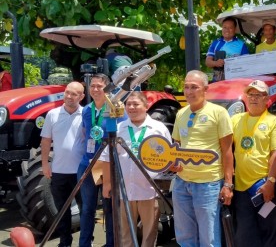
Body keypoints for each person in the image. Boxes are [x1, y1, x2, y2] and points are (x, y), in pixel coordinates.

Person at [170, 70, 234, 246]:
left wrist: (228, 184)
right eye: (186, 87)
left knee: (209, 238)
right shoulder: (180, 113)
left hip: (208, 184)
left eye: (194, 87)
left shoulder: (219, 113)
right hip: (182, 183)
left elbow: (228, 151)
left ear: (205, 89)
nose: (189, 92)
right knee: (184, 237)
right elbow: (175, 146)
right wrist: (173, 163)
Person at [100, 92, 171, 247]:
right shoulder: (119, 128)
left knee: (149, 232)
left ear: (146, 107)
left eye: (136, 104)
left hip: (150, 190)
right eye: (129, 104)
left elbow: (168, 157)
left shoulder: (158, 129)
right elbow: (107, 157)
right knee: (125, 231)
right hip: (125, 190)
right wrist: (107, 184)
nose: (131, 107)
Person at [231, 80, 276, 246]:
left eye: (258, 95)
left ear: (266, 98)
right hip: (241, 188)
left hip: (263, 187)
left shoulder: (273, 121)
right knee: (244, 235)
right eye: (251, 94)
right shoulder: (235, 119)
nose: (253, 98)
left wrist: (271, 182)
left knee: (268, 232)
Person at [77, 74, 125, 247]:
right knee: (87, 208)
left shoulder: (116, 108)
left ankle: (111, 244)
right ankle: (84, 244)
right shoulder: (86, 110)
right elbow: (85, 133)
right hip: (88, 164)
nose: (96, 89)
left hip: (108, 166)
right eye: (93, 86)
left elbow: (123, 135)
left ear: (107, 89)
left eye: (99, 86)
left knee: (109, 209)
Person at [41, 82, 85, 247]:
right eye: (67, 92)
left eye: (74, 94)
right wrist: (45, 163)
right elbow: (46, 140)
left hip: (82, 171)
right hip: (59, 171)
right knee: (62, 211)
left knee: (85, 209)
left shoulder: (86, 114)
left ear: (81, 97)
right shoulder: (52, 114)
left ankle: (87, 241)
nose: (69, 96)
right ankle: (65, 242)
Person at [205, 16, 249, 82]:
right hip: (218, 82)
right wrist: (216, 63)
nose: (227, 30)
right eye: (225, 27)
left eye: (230, 28)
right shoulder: (215, 43)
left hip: (235, 81)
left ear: (235, 29)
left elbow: (247, 63)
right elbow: (208, 62)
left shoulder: (241, 45)